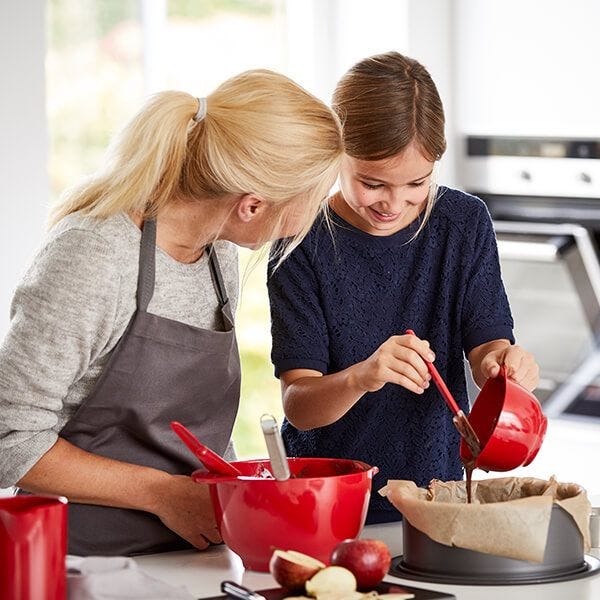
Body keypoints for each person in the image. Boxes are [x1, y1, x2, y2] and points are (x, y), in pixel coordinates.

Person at [0, 69, 343, 555]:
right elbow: (8, 435)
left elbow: (196, 430)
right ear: (251, 205)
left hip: (191, 557)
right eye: (312, 199)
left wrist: (242, 494)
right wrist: (164, 495)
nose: (313, 217)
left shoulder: (218, 255)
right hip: (79, 563)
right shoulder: (95, 256)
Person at [267, 51, 540, 524]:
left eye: (417, 182)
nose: (394, 204)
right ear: (337, 155)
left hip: (438, 494)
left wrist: (501, 363)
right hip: (330, 503)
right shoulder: (299, 240)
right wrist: (362, 375)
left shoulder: (463, 223)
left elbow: (486, 347)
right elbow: (299, 406)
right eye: (372, 183)